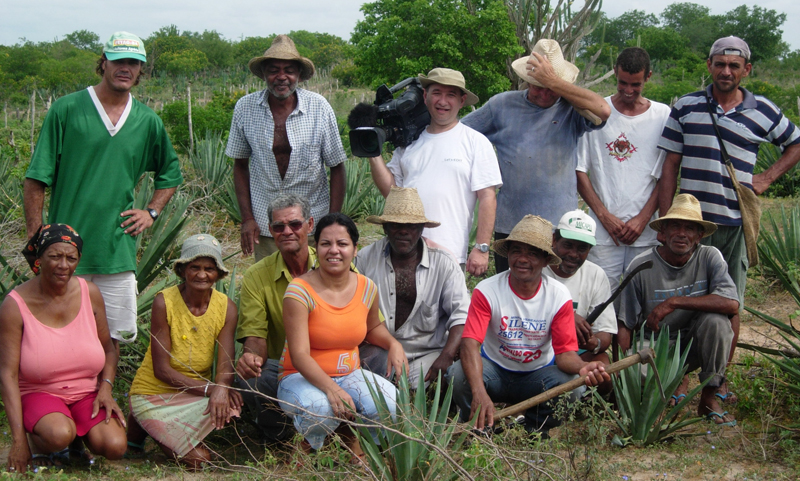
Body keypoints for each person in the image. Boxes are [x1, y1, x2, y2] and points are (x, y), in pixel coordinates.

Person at [658, 36, 800, 402]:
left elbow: (796, 142)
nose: (726, 71)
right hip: (691, 227)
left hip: (735, 226)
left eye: (734, 66)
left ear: (746, 70)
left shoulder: (764, 111)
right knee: (686, 299)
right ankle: (682, 377)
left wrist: (767, 178)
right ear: (709, 65)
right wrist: (665, 221)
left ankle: (717, 381)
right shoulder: (686, 106)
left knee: (729, 301)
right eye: (719, 64)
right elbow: (670, 165)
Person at [24, 31, 183, 347]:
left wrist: (151, 211)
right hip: (65, 250)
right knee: (59, 336)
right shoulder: (67, 109)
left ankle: (106, 394)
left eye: (134, 63)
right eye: (119, 60)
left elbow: (171, 172)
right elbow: (35, 179)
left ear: (140, 71)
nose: (126, 67)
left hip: (116, 248)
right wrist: (36, 238)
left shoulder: (147, 121)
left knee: (115, 337)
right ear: (104, 62)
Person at [447, 215, 610, 437]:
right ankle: (481, 427)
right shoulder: (487, 290)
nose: (522, 259)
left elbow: (564, 355)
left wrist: (582, 366)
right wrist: (479, 392)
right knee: (459, 375)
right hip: (495, 371)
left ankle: (534, 430)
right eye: (516, 251)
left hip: (538, 375)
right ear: (508, 255)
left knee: (574, 385)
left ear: (545, 260)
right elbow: (469, 344)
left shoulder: (558, 295)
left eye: (532, 253)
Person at [462, 39, 611, 273]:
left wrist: (554, 81)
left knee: (554, 299)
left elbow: (603, 110)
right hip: (512, 227)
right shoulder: (501, 105)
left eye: (549, 87)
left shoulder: (573, 109)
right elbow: (460, 136)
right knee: (511, 296)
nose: (543, 93)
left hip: (559, 230)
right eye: (537, 85)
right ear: (526, 81)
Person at [277, 213, 408, 460]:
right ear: (316, 248)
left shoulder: (367, 287)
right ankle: (306, 447)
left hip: (350, 374)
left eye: (343, 244)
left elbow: (372, 329)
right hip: (298, 377)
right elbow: (299, 355)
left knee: (392, 403)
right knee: (319, 409)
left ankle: (359, 444)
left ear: (355, 249)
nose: (334, 251)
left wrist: (393, 344)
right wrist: (331, 389)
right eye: (326, 243)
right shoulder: (299, 291)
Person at [0, 224, 127, 474]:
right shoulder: (15, 305)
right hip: (39, 392)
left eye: (71, 258)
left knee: (115, 446)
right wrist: (18, 441)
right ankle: (42, 440)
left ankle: (77, 440)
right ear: (39, 258)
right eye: (55, 256)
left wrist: (106, 387)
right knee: (59, 434)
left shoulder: (89, 293)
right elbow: (7, 374)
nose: (63, 265)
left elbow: (109, 350)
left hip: (87, 393)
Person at [617, 194, 740, 426]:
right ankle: (661, 387)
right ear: (662, 232)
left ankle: (708, 398)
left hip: (694, 343)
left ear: (699, 235)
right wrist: (622, 380)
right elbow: (625, 324)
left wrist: (674, 302)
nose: (682, 233)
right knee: (644, 379)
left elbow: (732, 304)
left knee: (718, 322)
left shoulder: (709, 257)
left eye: (690, 228)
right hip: (654, 348)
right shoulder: (641, 266)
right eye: (675, 226)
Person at [368, 68, 502, 275]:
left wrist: (481, 248)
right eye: (437, 92)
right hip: (404, 251)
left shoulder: (475, 142)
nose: (443, 101)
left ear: (462, 100)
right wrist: (371, 150)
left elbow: (487, 198)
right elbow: (392, 192)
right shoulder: (409, 143)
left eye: (451, 95)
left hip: (450, 255)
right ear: (425, 96)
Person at [227, 34, 347, 261]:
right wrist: (247, 218)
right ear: (264, 73)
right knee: (270, 290)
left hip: (313, 224)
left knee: (316, 291)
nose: (281, 77)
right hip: (267, 225)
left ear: (299, 75)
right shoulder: (245, 108)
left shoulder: (319, 107)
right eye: (273, 70)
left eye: (289, 70)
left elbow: (337, 166)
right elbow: (240, 165)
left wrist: (333, 221)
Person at [126, 234, 241, 468]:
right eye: (194, 267)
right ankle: (142, 420)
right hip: (153, 391)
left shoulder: (226, 307)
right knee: (199, 461)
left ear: (218, 273)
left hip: (190, 393)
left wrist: (223, 387)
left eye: (209, 269)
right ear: (182, 271)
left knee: (232, 405)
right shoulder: (164, 302)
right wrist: (214, 389)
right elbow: (161, 370)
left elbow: (225, 361)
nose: (202, 275)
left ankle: (149, 430)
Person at [576, 47, 671, 290]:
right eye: (622, 83)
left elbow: (666, 174)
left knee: (640, 300)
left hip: (645, 234)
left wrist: (643, 218)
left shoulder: (662, 115)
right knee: (601, 299)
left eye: (636, 84)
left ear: (648, 77)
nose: (628, 91)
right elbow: (579, 170)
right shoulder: (598, 112)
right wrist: (604, 217)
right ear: (615, 73)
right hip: (603, 235)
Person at [356, 187, 470, 387]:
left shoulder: (443, 263)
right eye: (396, 225)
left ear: (421, 228)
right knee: (370, 376)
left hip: (427, 353)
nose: (403, 231)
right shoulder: (366, 259)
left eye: (411, 225)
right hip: (381, 349)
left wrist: (447, 355)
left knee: (428, 382)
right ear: (385, 227)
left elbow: (461, 315)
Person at [542, 210, 615, 394]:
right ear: (554, 240)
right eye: (568, 245)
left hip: (575, 354)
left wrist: (593, 342)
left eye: (582, 248)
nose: (573, 254)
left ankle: (587, 402)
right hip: (537, 348)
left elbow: (605, 335)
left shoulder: (596, 274)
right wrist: (566, 317)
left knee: (604, 366)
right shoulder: (538, 268)